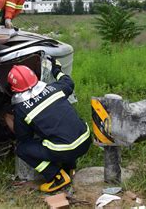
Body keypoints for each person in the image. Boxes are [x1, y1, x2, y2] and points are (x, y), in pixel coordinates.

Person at [7, 57, 91, 192]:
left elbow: (23, 138)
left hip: (67, 149)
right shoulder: (55, 88)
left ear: (13, 87)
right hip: (85, 139)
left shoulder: (21, 109)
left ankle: (56, 176)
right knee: (62, 135)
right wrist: (56, 68)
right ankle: (69, 168)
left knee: (22, 149)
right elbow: (68, 81)